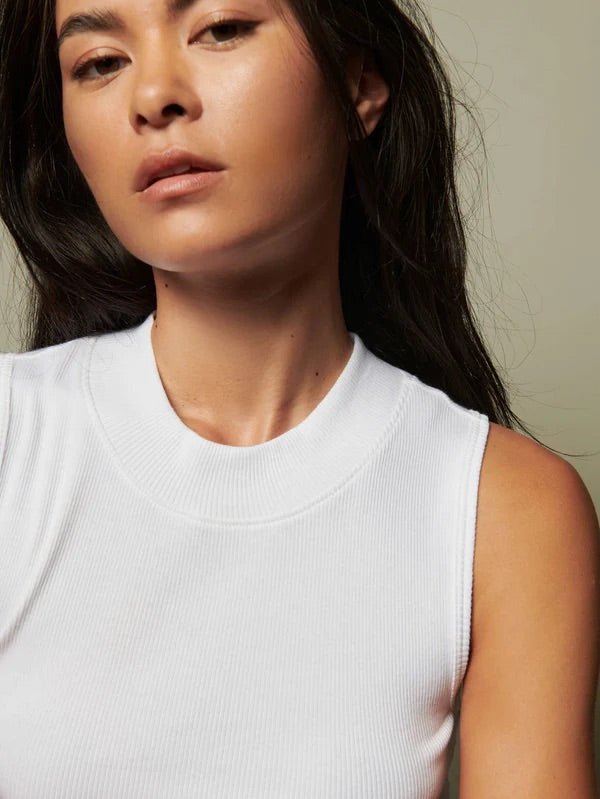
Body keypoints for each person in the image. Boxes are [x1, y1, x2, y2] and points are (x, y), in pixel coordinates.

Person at [0, 0, 598, 796]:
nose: (153, 96)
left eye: (220, 27)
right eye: (100, 63)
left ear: (359, 84)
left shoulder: (501, 509)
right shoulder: (14, 439)